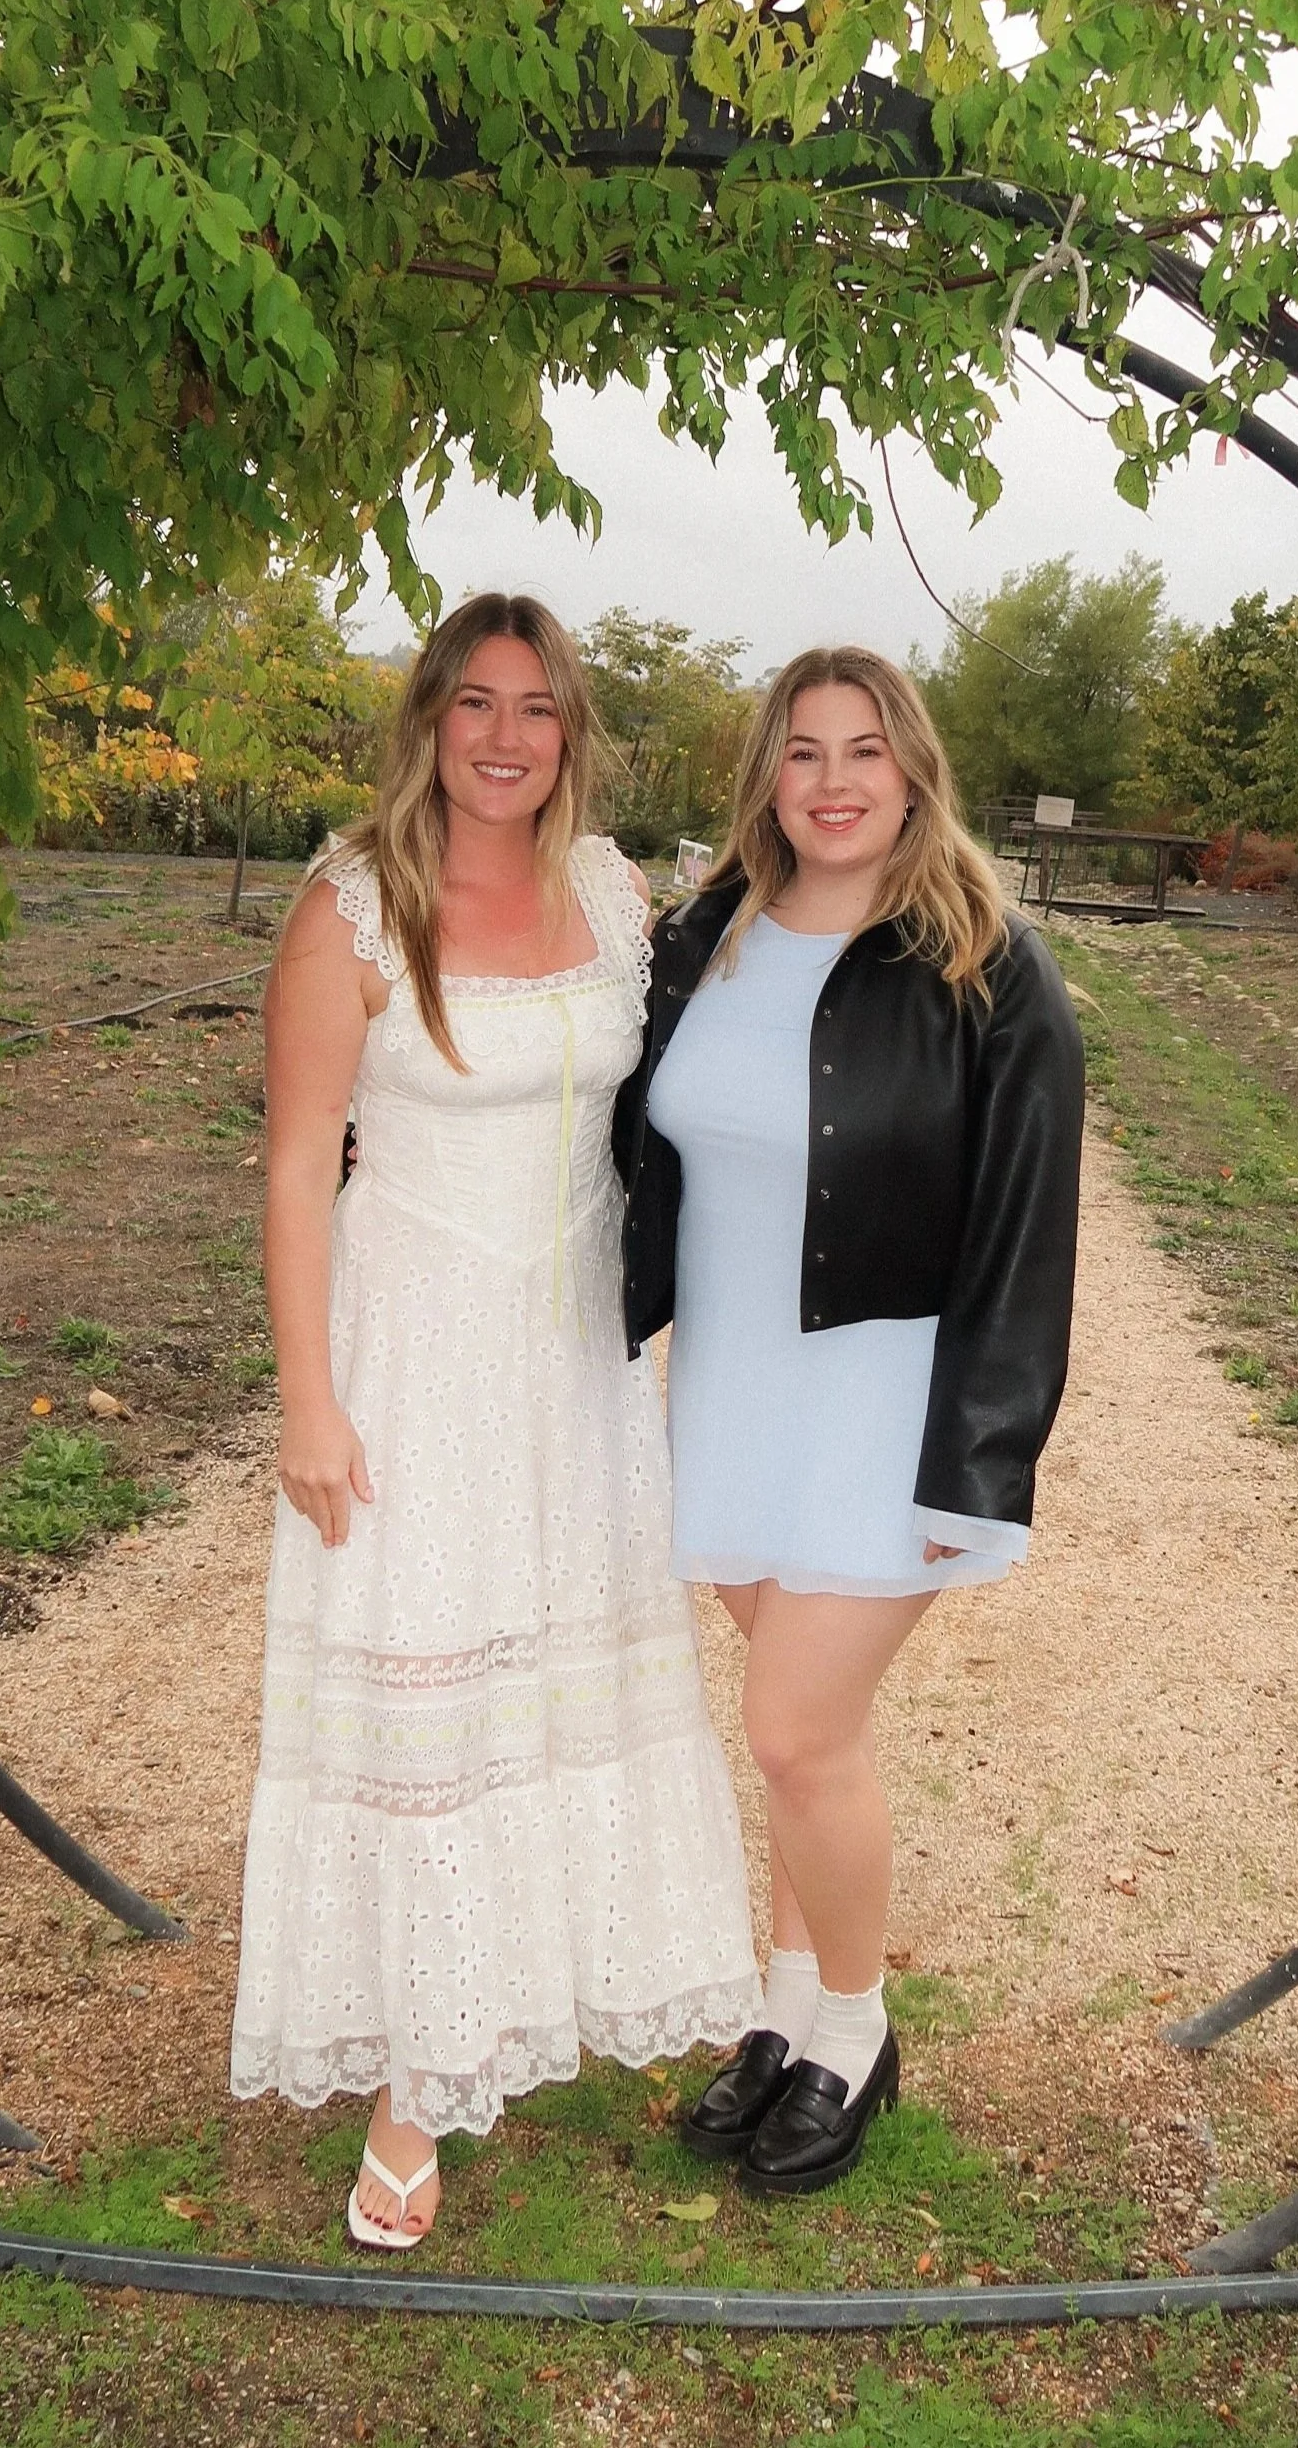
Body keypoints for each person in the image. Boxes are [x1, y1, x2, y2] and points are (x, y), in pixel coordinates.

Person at [232, 591, 760, 2251]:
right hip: (415, 1357)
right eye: (476, 703)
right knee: (433, 1699)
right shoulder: (351, 909)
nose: (506, 737)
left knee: (554, 1680)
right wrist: (309, 1400)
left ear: (570, 732)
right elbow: (296, 1167)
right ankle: (414, 2082)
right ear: (430, 721)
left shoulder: (614, 891)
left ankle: (534, 1984)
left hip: (574, 1361)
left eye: (537, 708)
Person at [616, 645, 1085, 2195]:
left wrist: (981, 1464)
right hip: (731, 1388)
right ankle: (785, 2012)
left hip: (882, 1404)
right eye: (803, 749)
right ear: (768, 774)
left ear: (912, 769)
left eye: (864, 749)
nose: (832, 780)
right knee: (806, 1740)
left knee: (794, 1730)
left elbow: (1027, 1231)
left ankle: (858, 2032)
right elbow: (612, 1118)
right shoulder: (704, 935)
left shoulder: (986, 964)